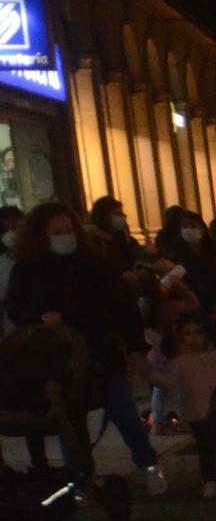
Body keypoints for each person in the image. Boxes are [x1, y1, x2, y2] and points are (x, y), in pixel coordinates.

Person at [4, 201, 163, 493]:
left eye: (68, 230)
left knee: (122, 411)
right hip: (54, 361)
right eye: (57, 232)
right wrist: (41, 319)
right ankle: (80, 478)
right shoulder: (28, 269)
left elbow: (120, 307)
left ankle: (149, 465)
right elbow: (16, 307)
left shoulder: (93, 265)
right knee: (68, 419)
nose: (65, 236)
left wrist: (135, 347)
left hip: (100, 353)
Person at [138, 311, 216, 497]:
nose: (193, 339)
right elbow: (167, 382)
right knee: (206, 449)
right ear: (179, 337)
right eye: (187, 334)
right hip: (199, 412)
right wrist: (147, 372)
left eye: (198, 333)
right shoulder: (180, 362)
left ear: (207, 333)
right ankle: (210, 482)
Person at [0, 205, 23, 339]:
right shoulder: (2, 264)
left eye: (15, 228)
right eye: (5, 230)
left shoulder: (40, 261)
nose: (11, 234)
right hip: (10, 339)